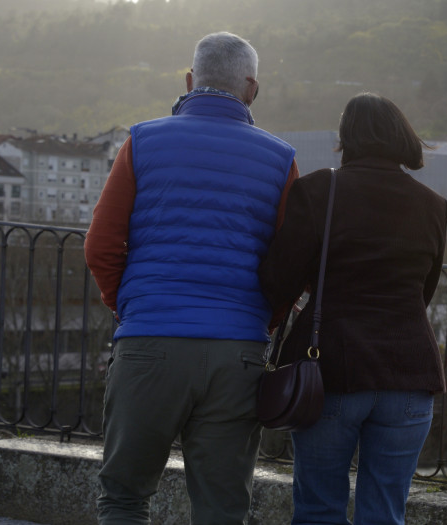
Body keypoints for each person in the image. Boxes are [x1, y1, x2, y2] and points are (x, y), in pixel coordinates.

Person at [85, 31, 299, 524]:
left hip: (149, 342)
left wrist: (130, 307)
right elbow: (290, 265)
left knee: (124, 498)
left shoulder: (142, 141)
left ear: (189, 81)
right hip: (238, 353)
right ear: (252, 88)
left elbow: (100, 245)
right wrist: (264, 322)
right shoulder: (280, 158)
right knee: (222, 509)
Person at [259, 92, 447, 525]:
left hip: (331, 372)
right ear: (402, 136)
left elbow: (278, 282)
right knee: (385, 514)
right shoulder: (433, 205)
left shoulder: (319, 190)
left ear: (347, 137)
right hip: (411, 374)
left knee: (319, 510)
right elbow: (423, 293)